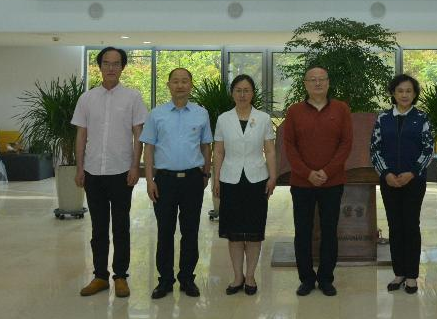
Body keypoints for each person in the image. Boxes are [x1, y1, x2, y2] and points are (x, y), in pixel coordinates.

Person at [72, 47, 147, 298]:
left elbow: (139, 135)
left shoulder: (133, 97)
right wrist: (80, 167)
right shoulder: (87, 98)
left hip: (121, 171)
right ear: (100, 66)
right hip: (93, 171)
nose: (111, 68)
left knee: (121, 226)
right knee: (98, 228)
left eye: (116, 63)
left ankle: (121, 276)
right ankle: (100, 276)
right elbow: (81, 135)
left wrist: (136, 166)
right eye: (106, 63)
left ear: (122, 67)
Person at [141, 68, 212, 299]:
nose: (180, 85)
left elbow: (206, 146)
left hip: (193, 180)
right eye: (175, 81)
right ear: (168, 85)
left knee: (190, 231)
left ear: (191, 84)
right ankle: (165, 281)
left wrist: (205, 174)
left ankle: (187, 279)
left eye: (184, 81)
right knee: (165, 231)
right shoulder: (156, 114)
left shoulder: (201, 113)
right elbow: (148, 149)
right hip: (164, 181)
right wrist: (149, 180)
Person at [283, 65, 353, 297]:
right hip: (301, 183)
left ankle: (325, 279)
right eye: (312, 79)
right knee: (302, 231)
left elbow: (346, 144)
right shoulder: (294, 111)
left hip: (332, 182)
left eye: (321, 79)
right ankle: (306, 279)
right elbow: (289, 146)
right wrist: (307, 173)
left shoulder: (341, 109)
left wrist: (327, 171)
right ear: (305, 84)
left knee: (329, 231)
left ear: (328, 82)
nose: (317, 83)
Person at [212, 74, 277, 296]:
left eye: (246, 90)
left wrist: (273, 176)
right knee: (234, 233)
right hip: (230, 179)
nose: (242, 94)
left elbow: (270, 150)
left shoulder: (263, 118)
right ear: (232, 93)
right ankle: (237, 276)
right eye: (238, 90)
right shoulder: (223, 119)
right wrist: (216, 178)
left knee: (254, 231)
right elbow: (218, 151)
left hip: (256, 179)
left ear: (252, 93)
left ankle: (250, 276)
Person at [369, 74, 433, 294]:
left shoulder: (422, 118)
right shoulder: (383, 118)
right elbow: (374, 149)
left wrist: (412, 173)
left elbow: (428, 150)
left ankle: (412, 275)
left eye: (408, 91)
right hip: (389, 181)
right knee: (395, 226)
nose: (404, 95)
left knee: (411, 226)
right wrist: (386, 173)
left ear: (414, 94)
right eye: (400, 91)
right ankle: (399, 273)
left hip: (414, 181)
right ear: (393, 94)